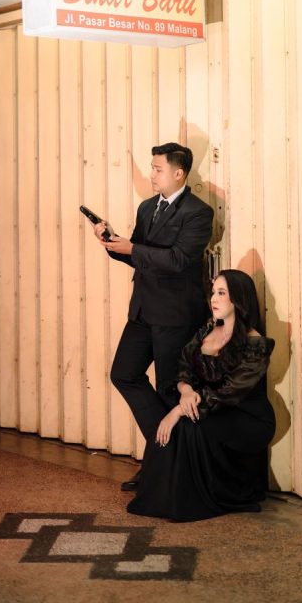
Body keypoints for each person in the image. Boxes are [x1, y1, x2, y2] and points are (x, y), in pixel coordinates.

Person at [94, 142, 214, 490]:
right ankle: (166, 454)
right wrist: (112, 243)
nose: (152, 175)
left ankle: (169, 470)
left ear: (179, 173)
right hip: (143, 309)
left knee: (168, 390)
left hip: (175, 315)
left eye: (158, 169)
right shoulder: (148, 208)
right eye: (151, 168)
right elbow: (137, 256)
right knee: (124, 374)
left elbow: (179, 260)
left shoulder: (198, 212)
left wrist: (134, 247)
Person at [126, 269, 276, 522]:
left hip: (248, 417)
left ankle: (195, 498)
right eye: (213, 292)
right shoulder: (207, 330)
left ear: (239, 298)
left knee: (188, 424)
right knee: (181, 424)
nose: (214, 299)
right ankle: (163, 496)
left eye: (221, 293)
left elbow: (230, 391)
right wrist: (185, 390)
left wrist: (178, 410)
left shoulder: (256, 344)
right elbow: (184, 365)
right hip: (214, 407)